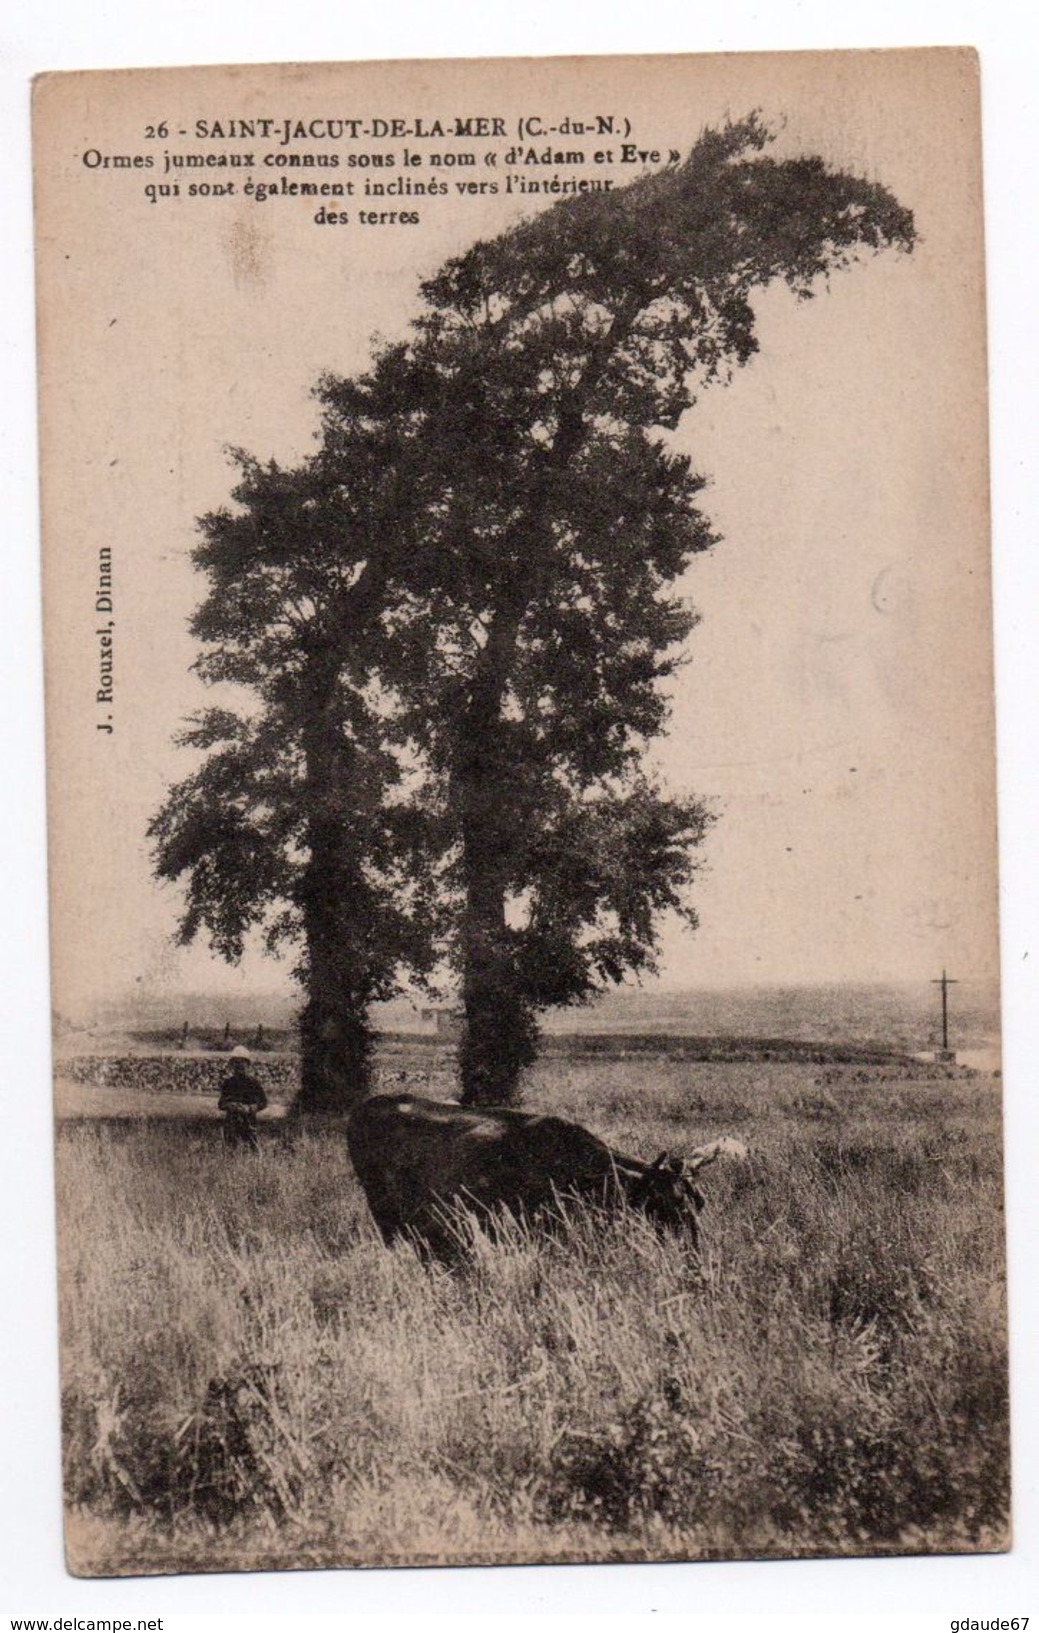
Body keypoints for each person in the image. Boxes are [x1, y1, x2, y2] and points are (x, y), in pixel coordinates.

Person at [217, 1045, 268, 1150]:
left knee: (251, 1148)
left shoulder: (254, 1083)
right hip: (231, 1123)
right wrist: (230, 1105)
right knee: (230, 1149)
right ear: (232, 1065)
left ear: (248, 1065)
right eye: (236, 1063)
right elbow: (221, 1104)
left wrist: (250, 1108)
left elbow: (263, 1102)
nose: (239, 1066)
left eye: (242, 1063)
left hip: (249, 1122)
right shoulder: (228, 1083)